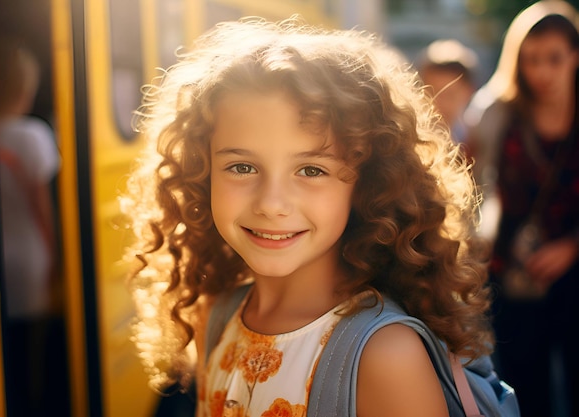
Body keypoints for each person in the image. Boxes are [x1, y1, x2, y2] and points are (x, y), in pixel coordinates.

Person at [124, 17, 494, 417]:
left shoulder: (385, 354)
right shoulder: (216, 314)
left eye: (311, 170)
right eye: (242, 167)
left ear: (367, 183)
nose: (272, 203)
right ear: (202, 171)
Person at [464, 1, 579, 416]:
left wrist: (571, 248)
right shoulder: (495, 113)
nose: (543, 71)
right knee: (525, 388)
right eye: (532, 59)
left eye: (554, 58)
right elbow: (470, 189)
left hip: (575, 271)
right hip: (510, 270)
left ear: (574, 56)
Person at [0, 36, 62, 416]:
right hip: (32, 254)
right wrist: (56, 255)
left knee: (5, 345)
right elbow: (42, 205)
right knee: (32, 348)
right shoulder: (33, 135)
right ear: (26, 86)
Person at [415, 39, 479, 144]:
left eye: (450, 95)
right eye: (432, 94)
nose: (440, 103)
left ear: (469, 92)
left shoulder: (479, 140)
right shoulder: (409, 141)